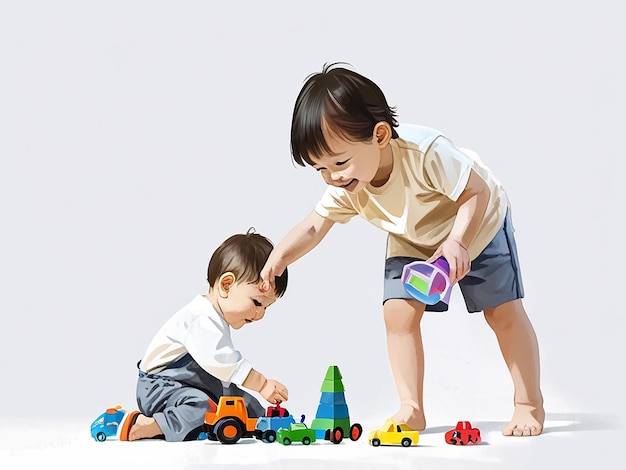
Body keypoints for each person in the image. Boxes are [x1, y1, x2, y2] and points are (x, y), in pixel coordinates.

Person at [260, 63, 544, 437]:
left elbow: (477, 191)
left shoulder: (425, 152)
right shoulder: (349, 186)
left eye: (340, 163)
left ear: (379, 135)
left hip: (475, 225)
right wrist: (279, 257)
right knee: (397, 314)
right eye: (320, 169)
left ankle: (528, 404)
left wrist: (457, 241)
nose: (333, 177)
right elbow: (314, 225)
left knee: (502, 314)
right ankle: (411, 407)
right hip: (412, 238)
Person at [129, 229, 289, 441]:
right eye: (257, 302)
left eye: (267, 308)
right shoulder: (201, 318)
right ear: (226, 285)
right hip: (161, 385)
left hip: (195, 380)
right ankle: (149, 425)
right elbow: (223, 362)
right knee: (203, 406)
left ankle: (263, 423)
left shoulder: (214, 317)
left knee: (241, 403)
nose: (260, 314)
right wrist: (262, 384)